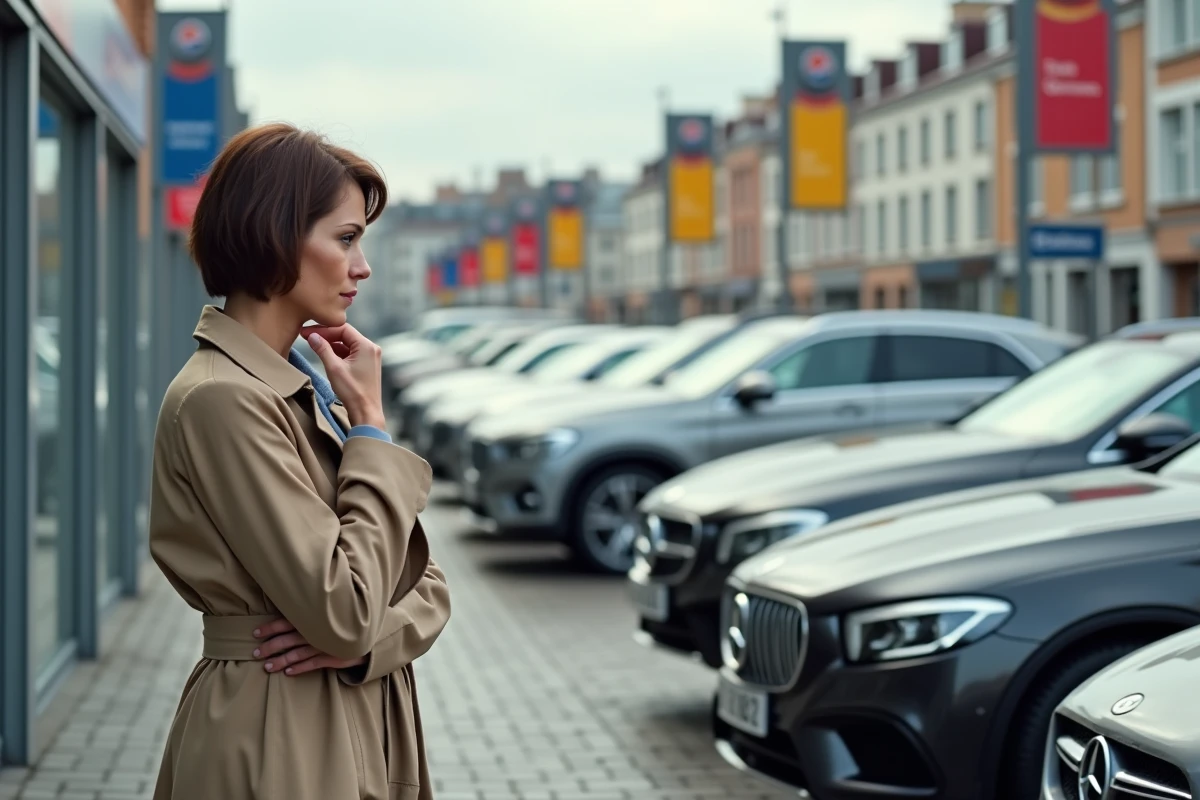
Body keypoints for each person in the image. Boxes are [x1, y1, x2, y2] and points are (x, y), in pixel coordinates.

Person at [148, 122, 451, 800]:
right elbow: (347, 608)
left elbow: (425, 582)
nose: (362, 266)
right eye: (345, 239)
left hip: (336, 718)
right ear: (276, 233)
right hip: (276, 731)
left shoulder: (292, 391)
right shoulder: (225, 398)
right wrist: (369, 427)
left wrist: (365, 640)